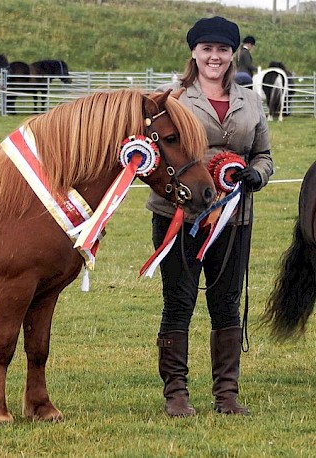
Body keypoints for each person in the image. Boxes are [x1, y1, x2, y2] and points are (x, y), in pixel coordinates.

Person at [147, 16, 273, 417]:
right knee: (179, 302)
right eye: (207, 49)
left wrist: (257, 174)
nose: (214, 56)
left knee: (226, 303)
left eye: (222, 49)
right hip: (180, 217)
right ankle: (177, 395)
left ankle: (227, 395)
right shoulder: (175, 100)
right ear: (194, 53)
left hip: (234, 219)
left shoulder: (250, 101)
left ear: (233, 54)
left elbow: (264, 155)